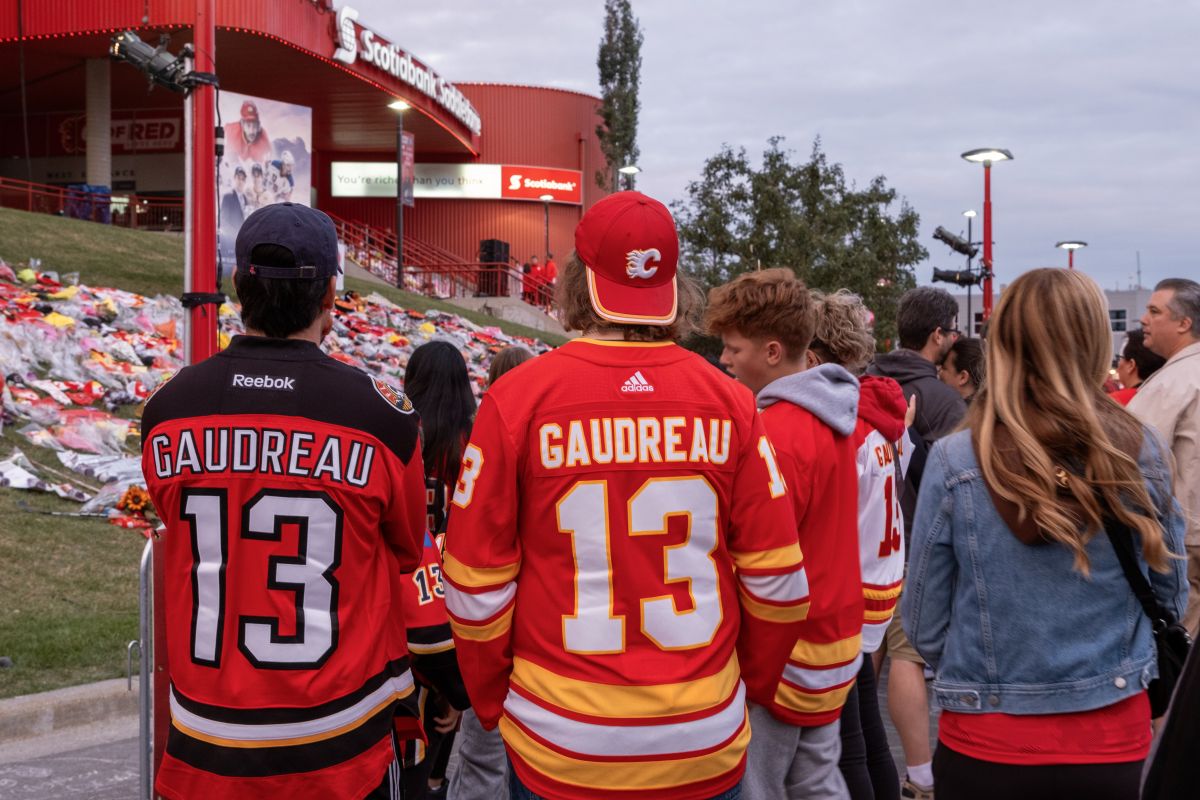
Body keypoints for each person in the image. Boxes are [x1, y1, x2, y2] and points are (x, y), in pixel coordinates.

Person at [443, 192, 812, 800]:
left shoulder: (519, 399)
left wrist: (493, 700)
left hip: (561, 732)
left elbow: (475, 586)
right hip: (701, 731)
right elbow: (778, 584)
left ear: (577, 282)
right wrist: (740, 689)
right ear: (672, 289)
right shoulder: (733, 402)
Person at [140, 203, 427, 799]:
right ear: (329, 295)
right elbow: (405, 551)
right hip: (341, 747)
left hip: (204, 745)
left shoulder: (168, 411)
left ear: (239, 288)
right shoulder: (381, 418)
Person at [902, 268, 1187, 800]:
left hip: (986, 735)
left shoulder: (956, 458)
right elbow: (1170, 594)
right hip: (1111, 731)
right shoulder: (1140, 450)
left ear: (1004, 343)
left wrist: (983, 674)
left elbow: (923, 622)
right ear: (1092, 339)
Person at [705, 269, 862, 800]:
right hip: (834, 637)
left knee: (760, 787)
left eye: (732, 347)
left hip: (787, 647)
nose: (723, 359)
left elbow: (761, 555)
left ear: (773, 351)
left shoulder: (776, 431)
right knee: (818, 781)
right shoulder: (830, 413)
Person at [807, 290, 909, 800]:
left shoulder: (842, 422)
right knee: (867, 735)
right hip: (880, 578)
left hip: (852, 590)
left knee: (846, 745)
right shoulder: (877, 411)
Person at [866, 286, 965, 800]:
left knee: (870, 652)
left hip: (864, 541)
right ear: (936, 336)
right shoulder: (945, 400)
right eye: (950, 333)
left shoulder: (865, 382)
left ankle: (858, 752)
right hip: (915, 542)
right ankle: (920, 774)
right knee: (906, 655)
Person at [401, 341, 476, 800]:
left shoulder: (400, 427)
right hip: (454, 582)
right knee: (451, 696)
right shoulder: (469, 438)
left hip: (408, 577)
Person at [1128, 278, 1200, 635]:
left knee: (1183, 657)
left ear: (1184, 323)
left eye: (1155, 311)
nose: (1144, 320)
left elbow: (1133, 457)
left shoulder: (1172, 383)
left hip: (1186, 540)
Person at [1110, 329, 1165, 406]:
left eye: (1119, 358)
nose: (1118, 365)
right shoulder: (1167, 399)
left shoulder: (1113, 402)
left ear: (1131, 365)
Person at [224, 99, 273, 164]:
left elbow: (268, 165)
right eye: (248, 125)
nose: (252, 131)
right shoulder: (230, 130)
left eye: (255, 125)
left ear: (258, 126)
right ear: (242, 124)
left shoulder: (264, 140)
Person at [939, 337, 985, 404]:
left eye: (944, 368)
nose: (940, 372)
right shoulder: (991, 409)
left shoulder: (956, 412)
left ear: (963, 377)